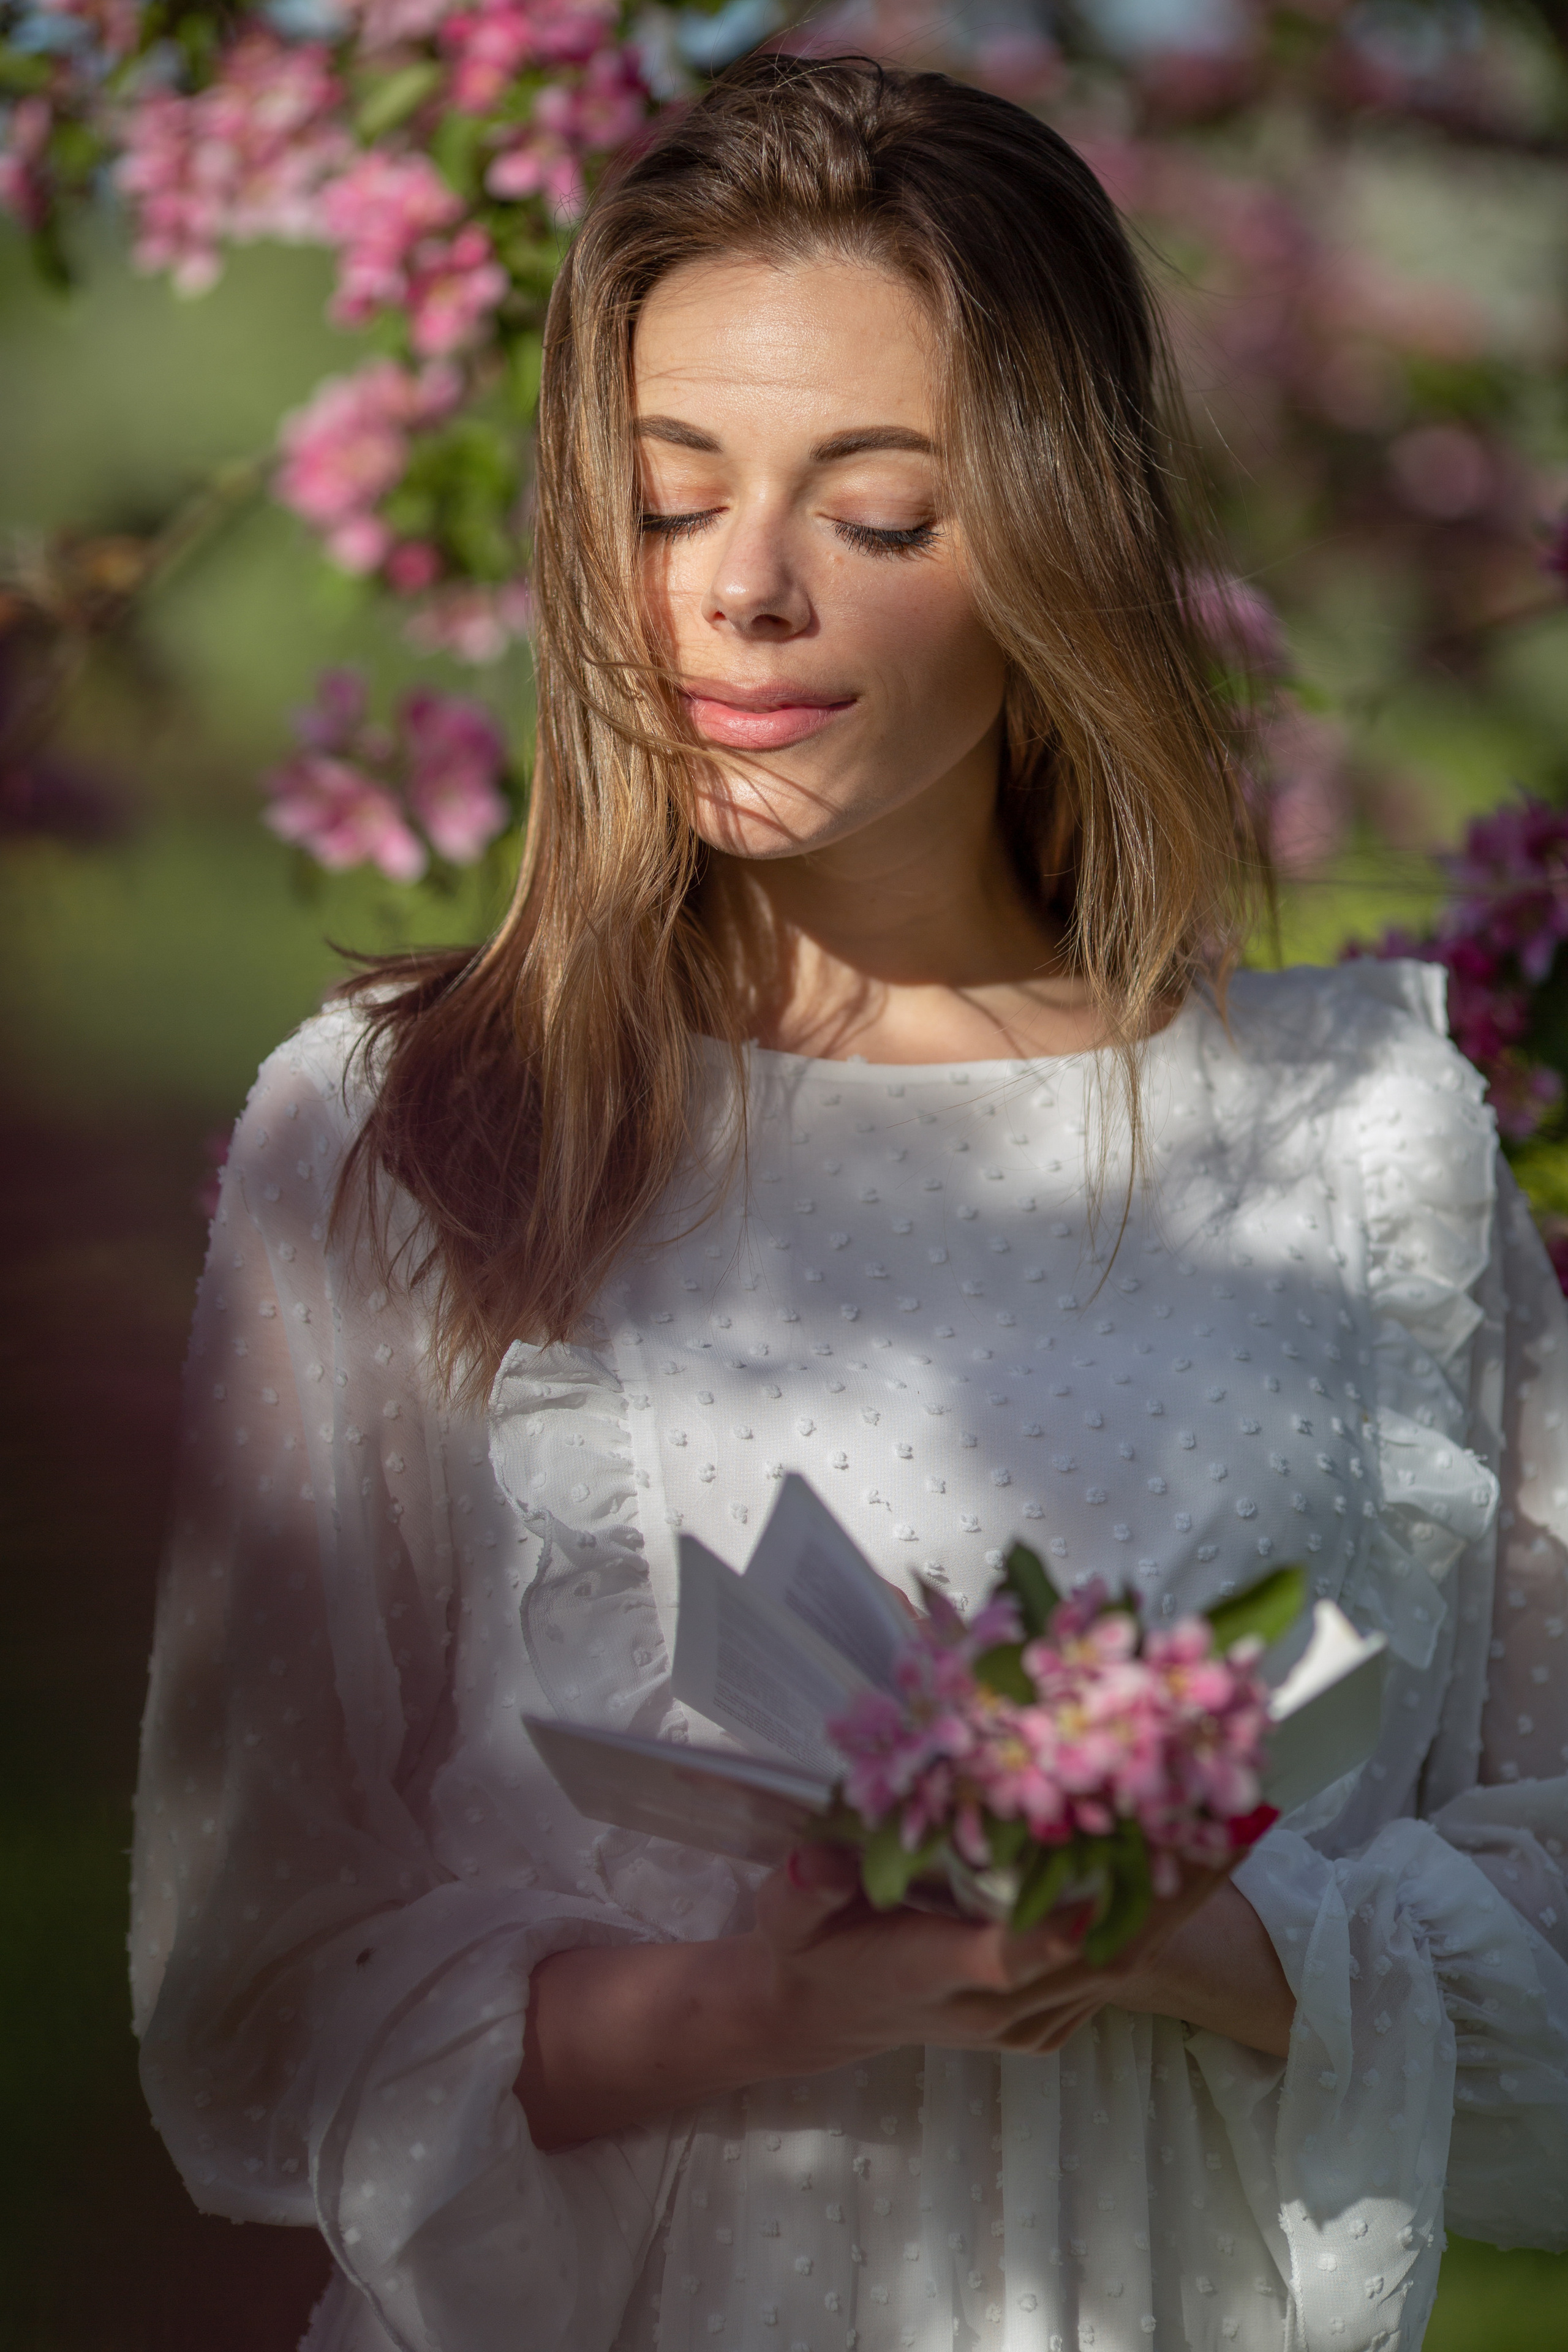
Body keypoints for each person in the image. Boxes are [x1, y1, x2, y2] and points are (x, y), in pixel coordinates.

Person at [132, 53, 1568, 2352]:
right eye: (666, 497)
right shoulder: (412, 1132)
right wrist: (747, 2005)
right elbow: (251, 2017)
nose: (744, 597)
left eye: (880, 515)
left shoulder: (1365, 1152)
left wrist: (1206, 1938)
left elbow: (1558, 1975)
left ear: (1059, 553)